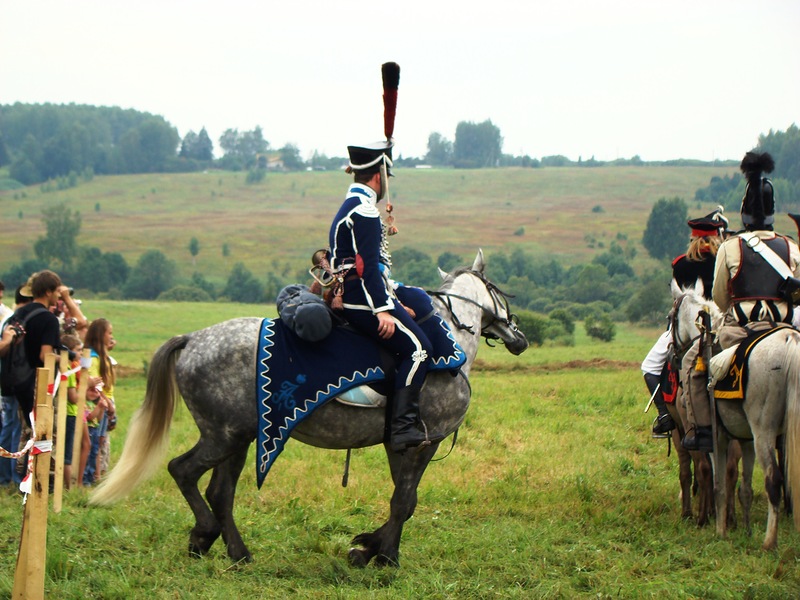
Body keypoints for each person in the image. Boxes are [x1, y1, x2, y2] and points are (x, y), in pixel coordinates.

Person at [326, 141, 443, 452]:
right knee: (420, 350)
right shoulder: (363, 210)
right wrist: (383, 310)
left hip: (360, 294)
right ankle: (403, 429)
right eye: (386, 177)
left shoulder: (350, 205)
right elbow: (365, 267)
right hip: (364, 299)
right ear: (379, 177)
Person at [682, 152, 800, 452]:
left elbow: (720, 298)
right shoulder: (791, 247)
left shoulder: (731, 247)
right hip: (785, 328)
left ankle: (703, 430)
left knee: (692, 364)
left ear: (744, 210)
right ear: (773, 210)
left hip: (742, 331)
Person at [641, 210, 727, 435]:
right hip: (724, 324)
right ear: (715, 237)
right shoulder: (723, 260)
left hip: (689, 328)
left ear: (694, 238)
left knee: (649, 366)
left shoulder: (680, 265)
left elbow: (678, 302)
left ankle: (665, 416)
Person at [0, 270, 70, 428]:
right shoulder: (49, 319)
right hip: (38, 386)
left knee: (22, 434)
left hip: (17, 381)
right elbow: (45, 355)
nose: (59, 296)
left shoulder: (18, 314)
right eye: (57, 292)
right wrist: (67, 358)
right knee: (42, 436)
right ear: (48, 292)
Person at [0, 284, 32, 487]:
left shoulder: (8, 317)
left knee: (11, 427)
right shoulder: (14, 320)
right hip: (14, 382)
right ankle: (10, 476)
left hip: (9, 382)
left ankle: (7, 476)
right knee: (14, 428)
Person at [82, 318, 116, 485]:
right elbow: (96, 382)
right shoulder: (92, 357)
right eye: (109, 333)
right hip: (96, 404)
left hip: (104, 402)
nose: (111, 336)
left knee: (99, 441)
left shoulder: (102, 356)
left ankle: (94, 475)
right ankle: (87, 477)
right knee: (94, 441)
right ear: (100, 334)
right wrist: (107, 402)